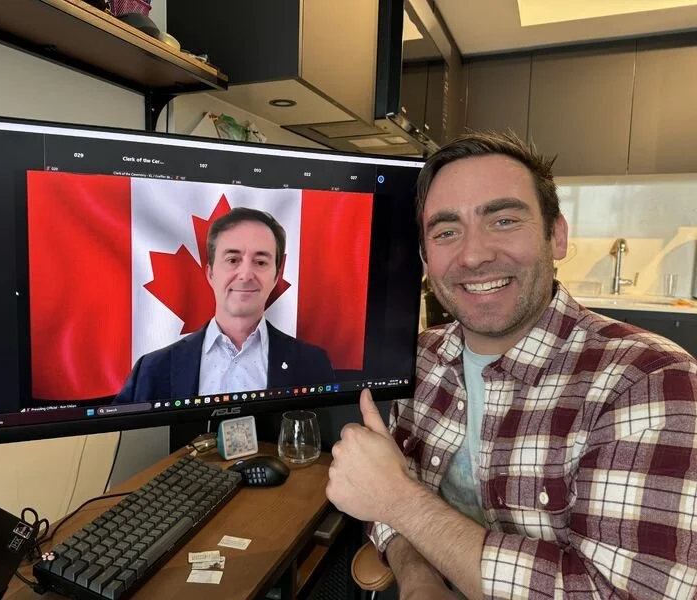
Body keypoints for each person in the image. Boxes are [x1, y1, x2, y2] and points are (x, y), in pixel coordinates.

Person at [326, 132, 697, 600]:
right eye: (446, 232)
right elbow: (382, 495)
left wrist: (401, 501)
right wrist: (419, 580)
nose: (474, 255)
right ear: (425, 258)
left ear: (556, 235)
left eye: (503, 220)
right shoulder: (420, 359)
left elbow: (624, 592)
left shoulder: (651, 381)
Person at [115, 207, 334, 403]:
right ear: (211, 274)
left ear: (276, 277)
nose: (246, 274)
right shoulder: (152, 369)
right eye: (233, 260)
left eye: (260, 262)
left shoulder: (313, 364)